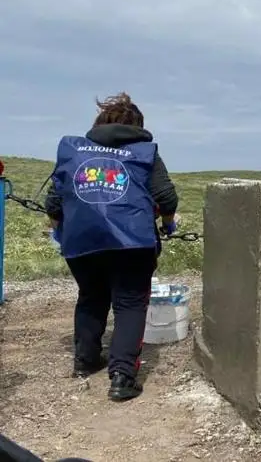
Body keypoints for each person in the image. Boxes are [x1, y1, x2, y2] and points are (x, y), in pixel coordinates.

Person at [44, 92, 179, 402]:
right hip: (132, 242)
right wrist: (168, 223)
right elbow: (167, 197)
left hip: (82, 241)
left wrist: (59, 230)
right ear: (138, 126)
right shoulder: (145, 153)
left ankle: (85, 360)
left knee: (91, 296)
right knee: (130, 303)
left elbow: (54, 202)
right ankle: (122, 377)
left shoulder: (76, 152)